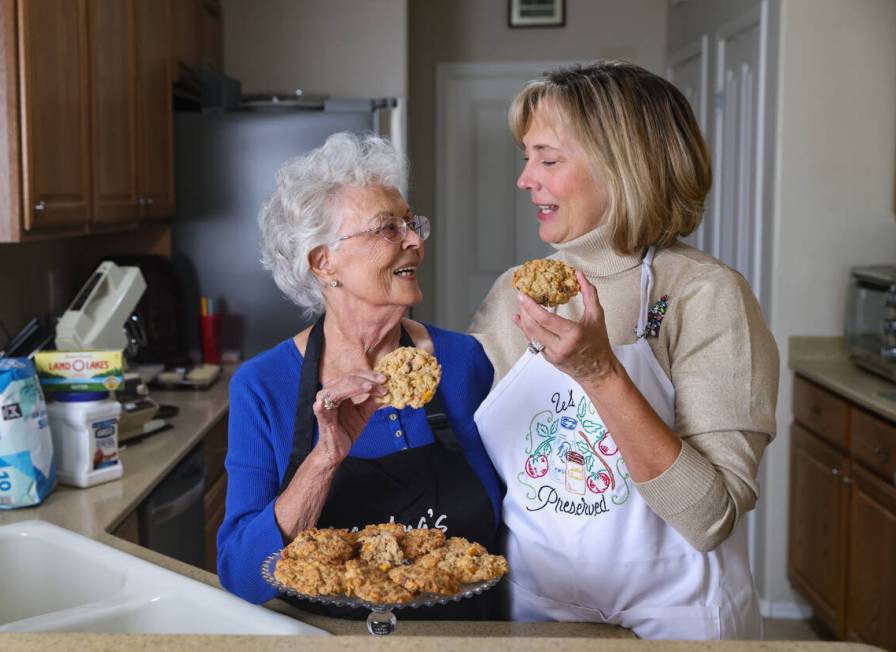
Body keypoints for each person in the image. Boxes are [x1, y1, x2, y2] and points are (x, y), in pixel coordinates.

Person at [469, 61, 778, 639]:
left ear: (623, 169)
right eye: (525, 157)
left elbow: (709, 517)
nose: (525, 179)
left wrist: (600, 372)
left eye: (549, 160)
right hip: (539, 611)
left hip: (678, 618)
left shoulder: (703, 295)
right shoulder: (517, 292)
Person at [218, 132, 504, 619]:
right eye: (387, 229)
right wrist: (325, 459)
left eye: (411, 224)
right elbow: (241, 575)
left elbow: (511, 528)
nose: (413, 240)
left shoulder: (464, 362)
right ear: (323, 262)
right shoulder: (262, 386)